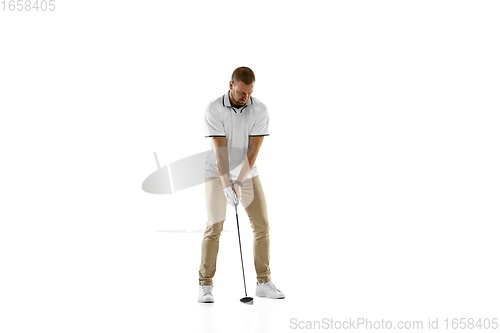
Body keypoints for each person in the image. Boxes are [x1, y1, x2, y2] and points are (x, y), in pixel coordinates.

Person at [198, 67, 285, 303]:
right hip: (217, 174)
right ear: (231, 85)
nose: (245, 97)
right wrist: (227, 185)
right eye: (241, 92)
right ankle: (205, 285)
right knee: (214, 227)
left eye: (250, 93)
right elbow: (221, 154)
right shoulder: (214, 109)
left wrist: (239, 182)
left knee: (262, 225)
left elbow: (253, 151)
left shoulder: (260, 110)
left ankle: (263, 282)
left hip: (248, 173)